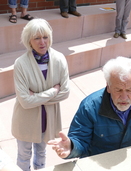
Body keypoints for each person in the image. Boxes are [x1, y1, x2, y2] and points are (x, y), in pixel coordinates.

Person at [48, 57, 131, 163]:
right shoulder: (90, 106)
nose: (124, 97)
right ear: (108, 87)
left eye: (129, 90)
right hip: (98, 164)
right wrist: (71, 147)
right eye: (118, 90)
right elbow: (79, 140)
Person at [12, 18, 70, 171]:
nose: (42, 42)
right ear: (29, 41)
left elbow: (65, 93)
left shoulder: (59, 59)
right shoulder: (20, 64)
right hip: (26, 120)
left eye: (45, 37)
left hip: (48, 120)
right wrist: (53, 91)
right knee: (24, 156)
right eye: (36, 38)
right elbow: (25, 102)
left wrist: (35, 97)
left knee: (42, 153)